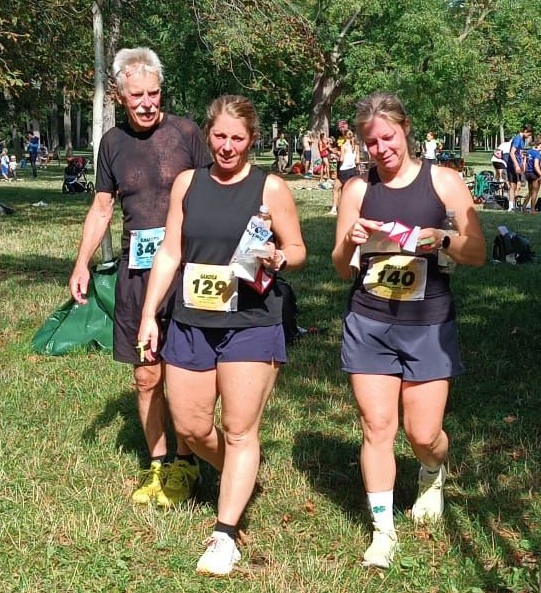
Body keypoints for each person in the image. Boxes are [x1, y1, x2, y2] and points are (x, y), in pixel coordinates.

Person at [137, 94, 306, 576]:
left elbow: (297, 249)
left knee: (239, 429)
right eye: (219, 136)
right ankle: (241, 470)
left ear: (251, 140)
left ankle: (225, 534)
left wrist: (279, 257)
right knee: (190, 427)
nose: (227, 146)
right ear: (207, 134)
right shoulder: (188, 183)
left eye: (237, 138)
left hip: (251, 322)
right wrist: (149, 314)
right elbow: (171, 252)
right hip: (192, 320)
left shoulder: (270, 188)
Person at [332, 92, 485, 569]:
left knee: (424, 433)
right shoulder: (357, 190)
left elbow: (478, 252)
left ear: (406, 130)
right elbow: (339, 265)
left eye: (388, 137)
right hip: (370, 321)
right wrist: (350, 242)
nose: (381, 149)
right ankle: (383, 531)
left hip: (428, 324)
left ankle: (432, 469)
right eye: (371, 142)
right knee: (377, 427)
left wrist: (442, 238)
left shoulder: (444, 181)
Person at [68, 47, 210, 507]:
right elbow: (102, 208)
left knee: (184, 372)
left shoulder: (186, 133)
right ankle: (158, 463)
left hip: (186, 271)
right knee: (147, 377)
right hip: (137, 276)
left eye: (153, 93)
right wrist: (82, 263)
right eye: (137, 96)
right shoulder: (111, 143)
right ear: (119, 95)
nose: (147, 103)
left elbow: (214, 193)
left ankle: (187, 463)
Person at [507, 125, 534, 211]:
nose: (529, 136)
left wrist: (522, 162)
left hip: (518, 165)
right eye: (529, 134)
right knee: (513, 185)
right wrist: (516, 165)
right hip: (512, 165)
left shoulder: (522, 140)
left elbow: (519, 152)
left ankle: (514, 206)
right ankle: (510, 207)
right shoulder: (517, 138)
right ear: (525, 131)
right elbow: (512, 153)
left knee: (518, 186)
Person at [329, 119, 350, 215]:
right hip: (349, 167)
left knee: (336, 188)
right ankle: (342, 207)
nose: (340, 129)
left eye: (342, 127)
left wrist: (336, 153)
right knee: (343, 188)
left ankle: (335, 209)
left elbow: (343, 155)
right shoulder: (350, 139)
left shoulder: (344, 140)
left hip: (343, 166)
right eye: (340, 128)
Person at [523, 139, 541, 213]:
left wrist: (525, 172)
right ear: (538, 145)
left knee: (530, 192)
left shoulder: (528, 152)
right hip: (534, 174)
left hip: (528, 174)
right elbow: (536, 165)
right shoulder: (537, 154)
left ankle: (523, 207)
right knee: (535, 192)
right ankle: (532, 210)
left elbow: (525, 164)